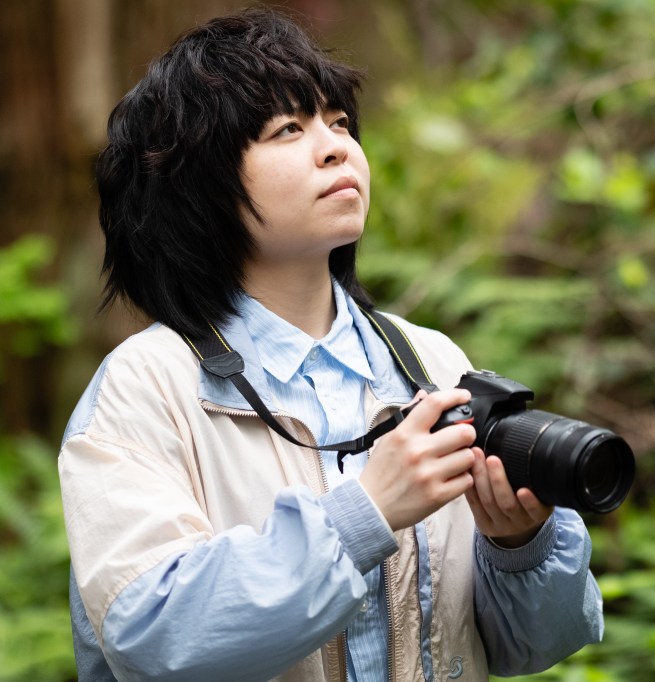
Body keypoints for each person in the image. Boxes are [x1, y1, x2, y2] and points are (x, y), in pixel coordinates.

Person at [58, 6, 603, 681]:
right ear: (199, 184)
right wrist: (363, 515)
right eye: (288, 129)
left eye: (339, 123)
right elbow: (152, 634)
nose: (335, 146)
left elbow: (533, 645)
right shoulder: (145, 390)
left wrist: (518, 545)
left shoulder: (431, 361)